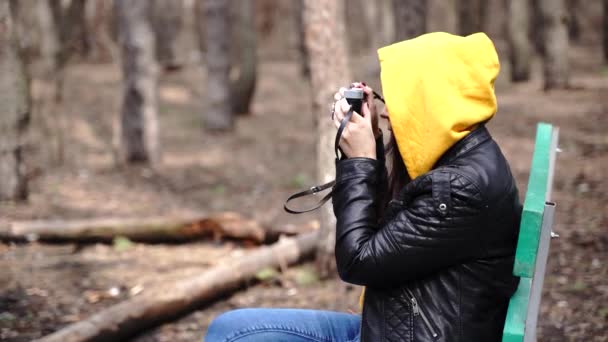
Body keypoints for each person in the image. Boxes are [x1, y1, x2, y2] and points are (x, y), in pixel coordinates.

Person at [204, 32, 521, 342]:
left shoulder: (456, 188)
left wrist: (361, 161)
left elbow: (358, 261)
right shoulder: (462, 160)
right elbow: (391, 230)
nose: (385, 112)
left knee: (232, 334)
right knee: (231, 328)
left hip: (412, 331)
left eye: (401, 101)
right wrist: (374, 145)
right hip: (405, 325)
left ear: (431, 102)